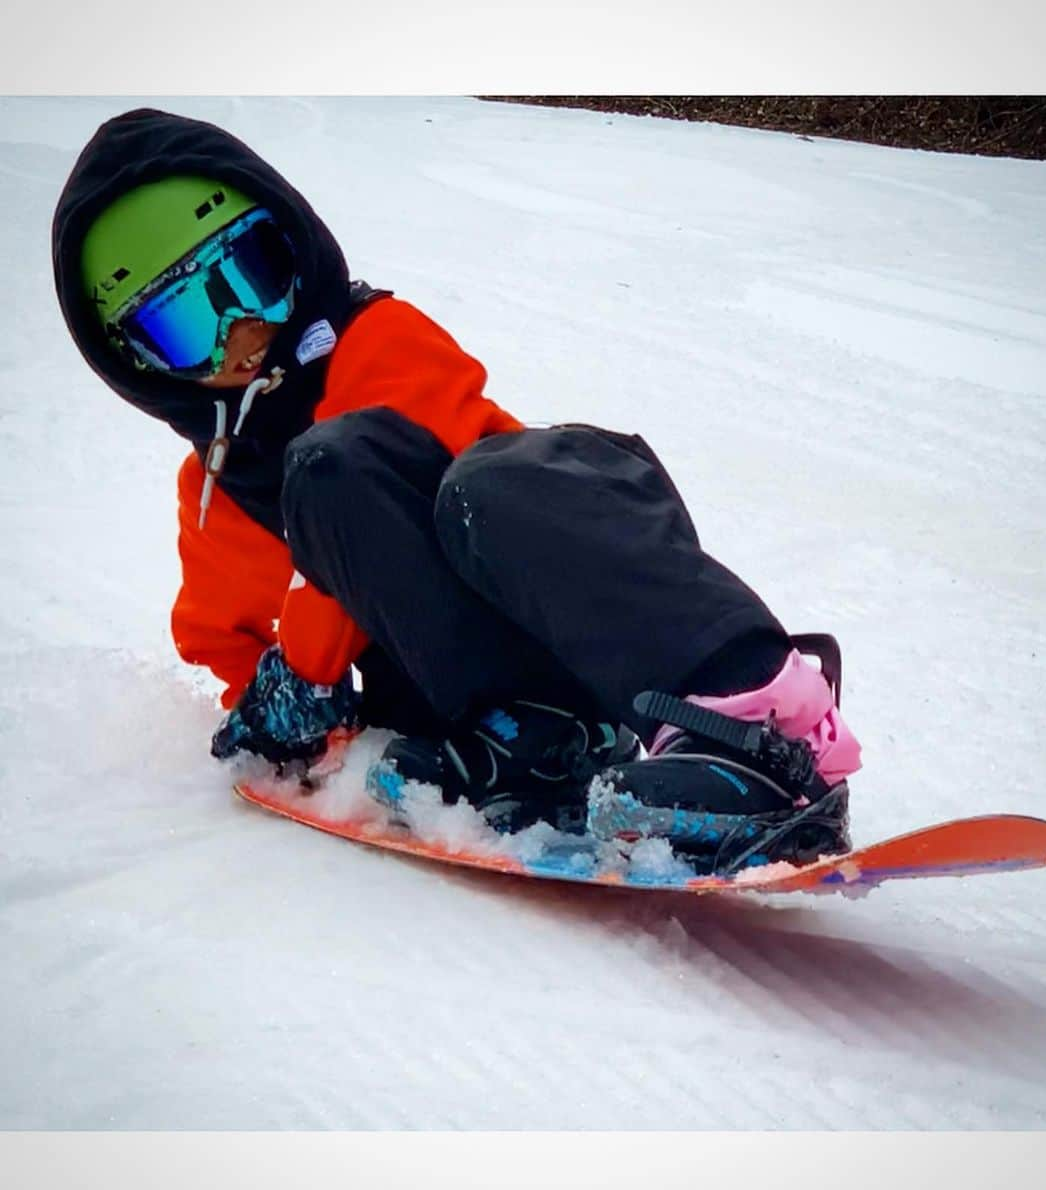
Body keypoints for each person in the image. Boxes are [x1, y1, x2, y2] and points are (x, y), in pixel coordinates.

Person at [52, 107, 861, 873]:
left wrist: (304, 661)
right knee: (324, 484)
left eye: (252, 277)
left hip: (569, 602)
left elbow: (397, 499)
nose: (240, 331)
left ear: (293, 250)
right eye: (185, 324)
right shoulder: (213, 493)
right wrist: (285, 712)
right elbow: (223, 638)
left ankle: (755, 724)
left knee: (442, 478)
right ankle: (530, 747)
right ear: (139, 363)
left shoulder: (378, 342)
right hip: (476, 729)